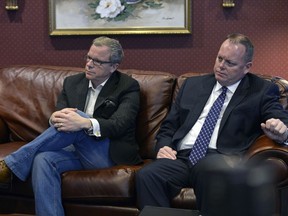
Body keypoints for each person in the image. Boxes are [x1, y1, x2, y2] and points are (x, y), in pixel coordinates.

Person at [136, 33, 288, 214]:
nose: (221, 66)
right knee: (148, 175)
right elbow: (169, 126)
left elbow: (279, 118)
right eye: (219, 59)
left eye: (230, 63)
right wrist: (163, 147)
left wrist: (281, 129)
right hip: (182, 157)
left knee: (209, 170)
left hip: (221, 157)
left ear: (247, 67)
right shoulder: (193, 85)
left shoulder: (261, 90)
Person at [0, 36, 142, 216]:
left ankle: (10, 165)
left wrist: (85, 123)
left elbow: (121, 124)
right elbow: (60, 119)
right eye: (88, 57)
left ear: (113, 66)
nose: (89, 64)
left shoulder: (127, 86)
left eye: (97, 61)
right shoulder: (72, 82)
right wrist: (53, 118)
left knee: (78, 118)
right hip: (73, 150)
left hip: (106, 152)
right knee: (43, 159)